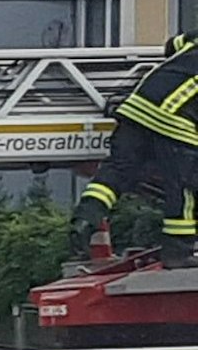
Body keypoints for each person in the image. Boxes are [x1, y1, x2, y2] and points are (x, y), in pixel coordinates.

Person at [76, 31, 198, 268]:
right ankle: (178, 251)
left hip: (136, 107)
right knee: (184, 187)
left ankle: (85, 218)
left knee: (118, 170)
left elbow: (172, 45)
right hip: (174, 118)